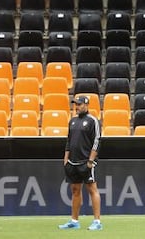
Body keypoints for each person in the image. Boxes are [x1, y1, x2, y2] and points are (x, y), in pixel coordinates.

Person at [58, 95, 103, 231]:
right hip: (73, 162)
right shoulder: (72, 121)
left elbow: (97, 140)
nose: (77, 107)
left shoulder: (93, 121)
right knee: (75, 190)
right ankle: (74, 221)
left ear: (86, 105)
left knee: (92, 189)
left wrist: (90, 160)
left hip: (86, 162)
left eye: (79, 104)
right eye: (75, 104)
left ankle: (97, 221)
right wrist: (66, 159)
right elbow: (68, 141)